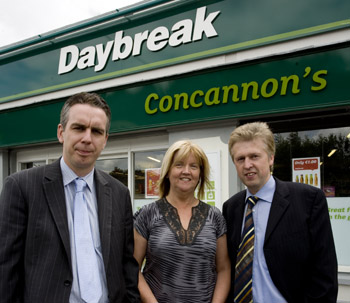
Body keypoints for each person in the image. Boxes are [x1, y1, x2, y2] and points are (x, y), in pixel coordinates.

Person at [0, 92, 140, 303]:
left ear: (105, 140)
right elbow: (6, 269)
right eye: (79, 128)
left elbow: (127, 266)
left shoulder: (119, 193)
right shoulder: (21, 187)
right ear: (61, 132)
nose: (87, 138)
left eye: (96, 131)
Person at [223, 122, 338, 303]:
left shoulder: (308, 200)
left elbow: (325, 274)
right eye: (240, 158)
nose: (247, 165)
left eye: (254, 156)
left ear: (271, 158)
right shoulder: (231, 208)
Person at [133, 140, 231, 303]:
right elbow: (132, 267)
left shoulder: (215, 216)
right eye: (179, 165)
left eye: (194, 166)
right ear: (167, 171)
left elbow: (224, 268)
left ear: (200, 173)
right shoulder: (147, 214)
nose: (186, 171)